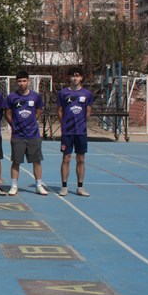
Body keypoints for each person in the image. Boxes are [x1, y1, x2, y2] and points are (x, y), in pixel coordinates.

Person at [5, 70, 47, 196]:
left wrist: (33, 122)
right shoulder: (11, 97)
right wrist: (14, 125)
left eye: (24, 81)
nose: (22, 83)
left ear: (28, 81)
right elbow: (7, 113)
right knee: (16, 161)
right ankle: (14, 186)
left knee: (36, 161)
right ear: (16, 82)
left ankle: (39, 185)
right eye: (19, 81)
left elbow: (38, 111)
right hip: (18, 135)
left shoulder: (35, 96)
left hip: (33, 135)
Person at [57, 67, 93, 197]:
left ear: (81, 77)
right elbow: (60, 111)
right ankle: (64, 186)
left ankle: (80, 187)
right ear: (69, 77)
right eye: (72, 76)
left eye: (77, 76)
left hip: (81, 132)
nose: (75, 78)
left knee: (81, 158)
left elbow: (88, 111)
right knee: (66, 158)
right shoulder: (63, 93)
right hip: (67, 132)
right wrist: (64, 124)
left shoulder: (87, 94)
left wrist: (82, 123)